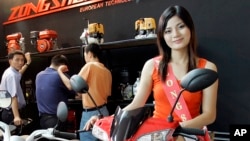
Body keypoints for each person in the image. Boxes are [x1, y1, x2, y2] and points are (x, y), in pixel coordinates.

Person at [84, 5, 218, 141]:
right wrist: (107, 120)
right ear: (162, 35)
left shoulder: (207, 67)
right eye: (168, 31)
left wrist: (177, 131)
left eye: (181, 27)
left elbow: (209, 114)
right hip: (157, 136)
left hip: (188, 134)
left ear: (190, 28)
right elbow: (137, 104)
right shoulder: (152, 66)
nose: (175, 34)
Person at [57, 43, 112, 141]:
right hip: (104, 111)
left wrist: (60, 71)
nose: (84, 56)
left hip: (91, 113)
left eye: (85, 54)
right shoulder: (107, 71)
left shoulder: (89, 66)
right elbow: (106, 93)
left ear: (89, 54)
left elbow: (71, 85)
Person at [35, 54, 76, 130]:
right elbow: (73, 90)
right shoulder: (60, 76)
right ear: (63, 66)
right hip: (56, 120)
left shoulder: (39, 75)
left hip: (42, 119)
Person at [0, 50, 32, 126]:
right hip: (11, 113)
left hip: (8, 112)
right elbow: (13, 96)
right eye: (17, 60)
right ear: (10, 61)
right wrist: (16, 116)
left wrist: (28, 63)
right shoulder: (11, 75)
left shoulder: (11, 72)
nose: (20, 62)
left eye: (22, 60)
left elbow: (19, 74)